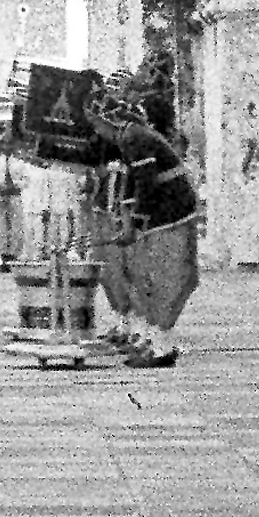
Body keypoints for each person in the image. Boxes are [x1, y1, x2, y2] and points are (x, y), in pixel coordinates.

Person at [90, 82, 200, 370]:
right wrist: (132, 223)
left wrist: (134, 226)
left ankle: (162, 345)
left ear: (106, 120)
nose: (97, 132)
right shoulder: (129, 137)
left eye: (96, 124)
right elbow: (134, 186)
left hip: (172, 211)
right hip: (163, 212)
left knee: (165, 277)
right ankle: (153, 339)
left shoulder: (134, 138)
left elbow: (145, 183)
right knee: (148, 275)